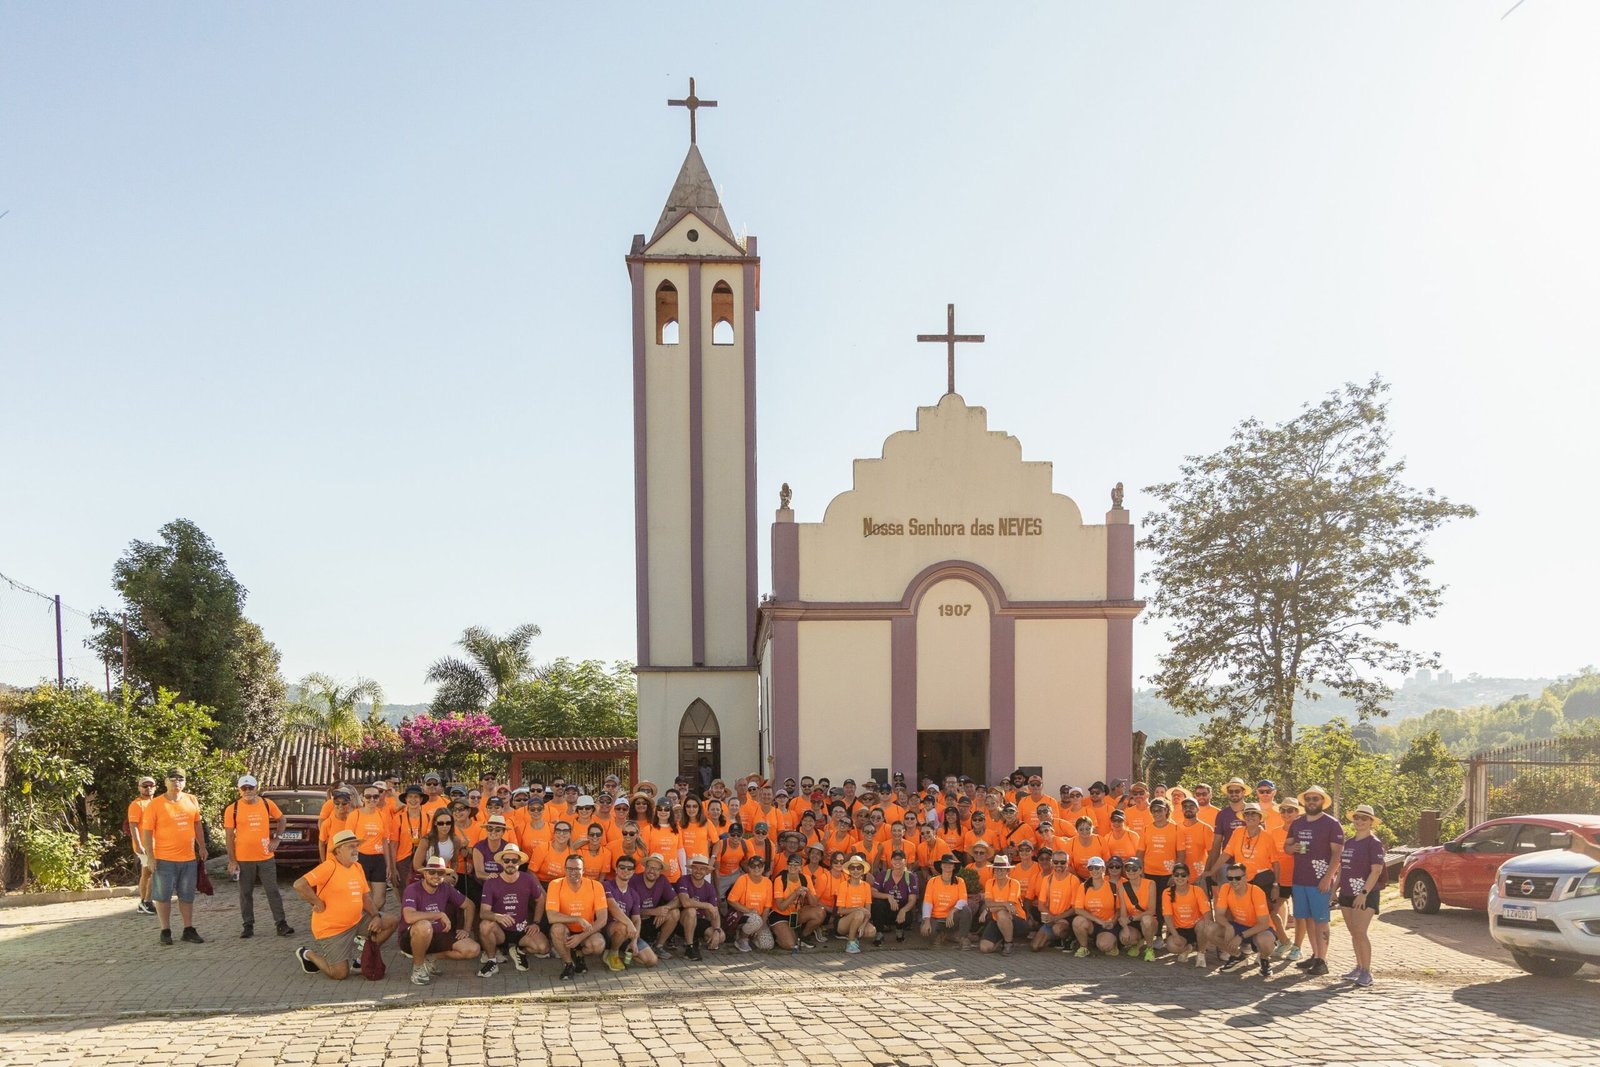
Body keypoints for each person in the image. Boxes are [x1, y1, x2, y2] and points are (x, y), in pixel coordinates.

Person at [292, 829, 398, 980]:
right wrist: (317, 902)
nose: (356, 850)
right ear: (338, 850)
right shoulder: (329, 866)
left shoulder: (357, 867)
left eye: (356, 846)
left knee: (391, 921)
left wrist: (375, 916)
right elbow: (299, 884)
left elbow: (365, 897)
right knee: (340, 974)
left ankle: (362, 960)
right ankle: (307, 954)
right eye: (351, 847)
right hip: (333, 929)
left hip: (356, 921)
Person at [140, 767, 208, 946]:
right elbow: (147, 832)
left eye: (181, 779)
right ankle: (165, 930)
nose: (177, 782)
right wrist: (151, 857)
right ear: (165, 782)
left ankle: (188, 929)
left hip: (188, 858)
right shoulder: (155, 804)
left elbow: (197, 825)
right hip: (164, 859)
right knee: (163, 896)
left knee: (187, 895)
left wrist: (202, 846)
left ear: (184, 782)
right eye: (173, 779)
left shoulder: (191, 799)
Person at [223, 774, 293, 938]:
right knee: (245, 893)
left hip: (265, 856)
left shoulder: (267, 804)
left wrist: (277, 839)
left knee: (272, 891)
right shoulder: (232, 809)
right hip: (243, 858)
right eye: (244, 788)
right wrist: (232, 860)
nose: (247, 791)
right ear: (239, 790)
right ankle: (248, 926)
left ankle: (281, 924)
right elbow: (228, 836)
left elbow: (282, 819)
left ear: (257, 788)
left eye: (250, 787)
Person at [1286, 785, 1345, 978]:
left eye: (1315, 799)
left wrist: (1328, 878)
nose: (1311, 802)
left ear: (1322, 802)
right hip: (1300, 878)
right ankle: (1316, 955)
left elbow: (1337, 853)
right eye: (1309, 799)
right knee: (1307, 918)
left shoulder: (1331, 824)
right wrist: (1292, 847)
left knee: (1321, 920)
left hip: (1320, 880)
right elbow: (1286, 847)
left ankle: (1323, 960)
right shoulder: (1298, 822)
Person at [476, 843, 549, 977]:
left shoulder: (528, 879)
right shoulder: (491, 882)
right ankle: (492, 961)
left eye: (514, 860)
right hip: (500, 930)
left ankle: (519, 951)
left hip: (522, 929)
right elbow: (483, 912)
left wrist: (536, 922)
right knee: (485, 925)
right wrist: (497, 917)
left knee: (543, 948)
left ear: (519, 862)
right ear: (502, 862)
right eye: (507, 860)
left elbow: (540, 900)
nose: (510, 863)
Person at [1338, 804, 1386, 987]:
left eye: (1364, 818)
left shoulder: (1374, 843)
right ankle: (1358, 966)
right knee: (1353, 932)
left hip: (1366, 894)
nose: (1359, 821)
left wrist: (1363, 893)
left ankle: (1367, 971)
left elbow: (1376, 871)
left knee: (1360, 931)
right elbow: (1343, 869)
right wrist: (1334, 890)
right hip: (1346, 893)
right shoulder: (1349, 843)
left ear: (1371, 822)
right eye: (1357, 817)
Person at [547, 855, 611, 980]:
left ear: (583, 870)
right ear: (564, 869)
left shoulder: (596, 886)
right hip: (566, 928)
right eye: (570, 869)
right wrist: (577, 919)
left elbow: (603, 919)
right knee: (556, 929)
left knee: (598, 945)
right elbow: (551, 917)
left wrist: (580, 937)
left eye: (577, 869)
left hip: (587, 930)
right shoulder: (555, 884)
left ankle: (579, 954)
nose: (573, 872)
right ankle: (568, 964)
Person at [1213, 861, 1276, 977]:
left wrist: (1240, 936)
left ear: (1246, 878)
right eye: (1230, 878)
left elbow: (1263, 924)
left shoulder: (1256, 892)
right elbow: (1218, 914)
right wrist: (1228, 926)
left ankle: (1264, 960)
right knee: (1210, 930)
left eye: (1237, 878)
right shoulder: (1225, 888)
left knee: (1265, 941)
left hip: (1259, 929)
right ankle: (1237, 957)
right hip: (1239, 925)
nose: (1234, 881)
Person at [601, 855, 657, 971]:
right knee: (623, 926)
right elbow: (613, 908)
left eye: (629, 868)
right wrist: (629, 924)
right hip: (607, 931)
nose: (625, 870)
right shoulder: (606, 885)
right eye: (622, 867)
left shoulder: (634, 894)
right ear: (616, 869)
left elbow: (636, 919)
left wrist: (634, 941)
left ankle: (621, 953)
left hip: (626, 933)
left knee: (651, 960)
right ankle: (613, 953)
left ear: (633, 872)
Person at [350, 783, 396, 913]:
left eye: (375, 796)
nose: (372, 800)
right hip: (360, 858)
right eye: (368, 796)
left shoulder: (382, 815)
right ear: (362, 798)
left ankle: (367, 921)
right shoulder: (355, 815)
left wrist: (388, 865)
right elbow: (349, 842)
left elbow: (384, 841)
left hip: (378, 858)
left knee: (380, 899)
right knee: (364, 896)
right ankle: (367, 926)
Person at [1162, 864, 1215, 967]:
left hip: (1197, 927)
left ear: (1188, 876)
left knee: (1204, 925)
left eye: (1183, 875)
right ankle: (1188, 948)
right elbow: (1167, 916)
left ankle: (1201, 954)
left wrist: (1209, 929)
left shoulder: (1197, 890)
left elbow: (1206, 912)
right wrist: (1175, 935)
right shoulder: (1167, 892)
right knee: (1172, 946)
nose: (1180, 878)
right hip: (1180, 929)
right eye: (1176, 875)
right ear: (1173, 876)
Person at [1030, 849, 1082, 952]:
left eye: (1062, 862)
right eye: (1056, 862)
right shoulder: (1047, 879)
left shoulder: (1073, 880)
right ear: (1052, 863)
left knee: (1058, 929)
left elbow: (1075, 908)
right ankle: (1056, 940)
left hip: (1066, 918)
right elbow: (1041, 905)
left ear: (1067, 863)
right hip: (1051, 918)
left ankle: (1070, 938)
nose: (1059, 865)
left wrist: (1056, 918)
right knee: (1035, 947)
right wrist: (1051, 917)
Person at [676, 854, 725, 959]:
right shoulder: (683, 880)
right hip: (681, 921)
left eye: (702, 869)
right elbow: (685, 902)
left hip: (700, 921)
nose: (698, 871)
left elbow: (715, 912)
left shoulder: (709, 887)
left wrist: (717, 930)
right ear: (691, 869)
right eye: (695, 868)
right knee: (691, 911)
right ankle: (690, 947)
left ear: (707, 871)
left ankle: (696, 939)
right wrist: (707, 905)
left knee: (721, 936)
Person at [634, 853, 683, 957]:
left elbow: (677, 900)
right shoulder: (634, 880)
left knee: (675, 912)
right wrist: (654, 911)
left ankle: (658, 946)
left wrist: (665, 909)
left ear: (660, 871)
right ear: (645, 867)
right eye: (650, 867)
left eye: (656, 869)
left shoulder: (662, 880)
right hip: (635, 922)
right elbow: (629, 910)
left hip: (652, 920)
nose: (652, 871)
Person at [1070, 856, 1120, 958]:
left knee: (1104, 946)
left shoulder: (1113, 887)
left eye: (1097, 868)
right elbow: (1078, 909)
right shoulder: (1083, 886)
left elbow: (1119, 909)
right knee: (1077, 921)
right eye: (1091, 868)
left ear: (1103, 869)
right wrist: (1099, 921)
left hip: (1109, 925)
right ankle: (1084, 947)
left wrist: (1113, 922)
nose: (1094, 871)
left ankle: (1114, 944)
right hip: (1092, 924)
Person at [726, 854, 777, 952]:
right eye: (753, 866)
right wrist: (749, 910)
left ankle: (751, 935)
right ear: (748, 867)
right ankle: (741, 938)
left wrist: (761, 926)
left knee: (767, 945)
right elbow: (731, 900)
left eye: (759, 865)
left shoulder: (768, 882)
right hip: (743, 915)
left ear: (763, 868)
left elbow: (767, 908)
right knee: (755, 920)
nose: (756, 868)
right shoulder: (742, 879)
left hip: (760, 918)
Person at [977, 854, 1024, 956]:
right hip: (996, 919)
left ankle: (1008, 943)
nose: (999, 872)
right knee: (985, 948)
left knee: (1002, 913)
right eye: (996, 869)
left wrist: (988, 910)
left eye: (1002, 869)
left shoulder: (1014, 883)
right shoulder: (990, 882)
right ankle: (1004, 938)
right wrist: (1005, 903)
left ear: (1008, 871)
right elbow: (988, 903)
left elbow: (1011, 907)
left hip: (1016, 919)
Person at [921, 854, 971, 946]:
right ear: (940, 865)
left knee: (966, 910)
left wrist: (952, 911)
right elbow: (927, 903)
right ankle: (944, 935)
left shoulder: (960, 881)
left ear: (954, 866)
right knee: (926, 931)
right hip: (936, 918)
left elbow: (963, 900)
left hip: (952, 919)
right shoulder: (932, 881)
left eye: (950, 864)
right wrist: (927, 921)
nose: (947, 865)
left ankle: (963, 937)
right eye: (945, 863)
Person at [870, 849, 918, 945]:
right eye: (895, 859)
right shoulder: (884, 874)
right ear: (891, 861)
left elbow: (913, 899)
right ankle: (879, 933)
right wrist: (888, 896)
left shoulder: (910, 877)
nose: (898, 862)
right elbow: (873, 892)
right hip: (887, 909)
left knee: (908, 915)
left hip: (901, 908)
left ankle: (899, 930)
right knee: (877, 904)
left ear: (905, 861)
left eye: (900, 859)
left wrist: (903, 910)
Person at [1116, 857, 1159, 961]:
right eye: (1128, 869)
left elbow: (1151, 910)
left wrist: (1131, 919)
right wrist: (1125, 928)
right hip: (1132, 921)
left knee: (1146, 920)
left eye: (1134, 869)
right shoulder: (1122, 886)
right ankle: (1137, 943)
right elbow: (1123, 913)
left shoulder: (1150, 884)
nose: (1131, 871)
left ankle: (1149, 948)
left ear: (1140, 870)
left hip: (1148, 921)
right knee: (1124, 939)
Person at [127, 775, 158, 914]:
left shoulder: (156, 803)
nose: (148, 788)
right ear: (140, 788)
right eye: (145, 786)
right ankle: (147, 901)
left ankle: (143, 902)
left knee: (146, 873)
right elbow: (133, 825)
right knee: (152, 872)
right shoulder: (136, 804)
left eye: (151, 786)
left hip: (157, 844)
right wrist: (139, 845)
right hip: (145, 845)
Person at [833, 855, 876, 954]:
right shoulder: (844, 885)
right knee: (859, 913)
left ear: (863, 870)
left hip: (860, 919)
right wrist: (858, 908)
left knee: (871, 931)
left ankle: (854, 935)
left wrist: (864, 925)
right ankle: (851, 942)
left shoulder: (866, 886)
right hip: (842, 922)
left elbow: (868, 912)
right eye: (853, 868)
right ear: (849, 870)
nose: (856, 871)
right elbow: (840, 910)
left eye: (859, 868)